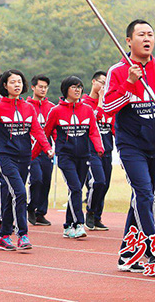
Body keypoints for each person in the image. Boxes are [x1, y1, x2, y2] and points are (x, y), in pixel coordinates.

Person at [102, 19, 155, 273]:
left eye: (150, 34)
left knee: (142, 198)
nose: (147, 38)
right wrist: (129, 83)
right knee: (145, 194)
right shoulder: (117, 71)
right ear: (128, 41)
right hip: (131, 146)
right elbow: (106, 109)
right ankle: (153, 252)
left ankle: (127, 255)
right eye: (141, 34)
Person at [0, 70, 54, 251]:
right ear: (4, 85)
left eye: (19, 82)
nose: (17, 85)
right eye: (12, 82)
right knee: (20, 193)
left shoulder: (28, 108)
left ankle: (3, 236)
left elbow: (37, 131)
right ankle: (22, 234)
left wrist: (47, 148)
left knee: (9, 195)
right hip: (4, 158)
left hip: (24, 158)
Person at [39, 76, 103, 239]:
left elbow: (94, 131)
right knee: (75, 188)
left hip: (84, 155)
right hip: (66, 156)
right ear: (66, 89)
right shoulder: (56, 111)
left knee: (76, 189)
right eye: (74, 87)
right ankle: (78, 224)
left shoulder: (87, 109)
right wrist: (39, 152)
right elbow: (44, 134)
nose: (77, 90)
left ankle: (68, 225)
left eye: (80, 87)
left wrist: (98, 147)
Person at [82, 70, 114, 231]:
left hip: (107, 151)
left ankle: (97, 217)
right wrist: (101, 99)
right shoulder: (84, 103)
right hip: (91, 151)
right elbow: (94, 119)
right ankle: (90, 211)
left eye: (106, 83)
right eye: (102, 82)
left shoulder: (109, 105)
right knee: (98, 181)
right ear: (93, 82)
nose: (104, 86)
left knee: (105, 184)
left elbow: (114, 126)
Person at [26, 74, 56, 227]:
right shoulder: (26, 106)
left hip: (46, 150)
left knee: (46, 180)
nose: (43, 90)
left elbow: (55, 129)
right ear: (33, 87)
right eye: (40, 87)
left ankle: (40, 213)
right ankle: (31, 207)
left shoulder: (51, 107)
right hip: (31, 151)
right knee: (36, 178)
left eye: (45, 87)